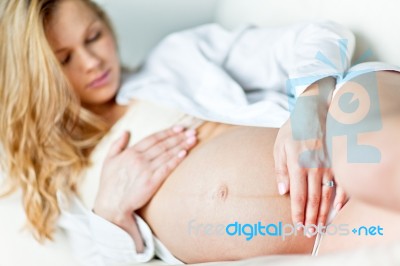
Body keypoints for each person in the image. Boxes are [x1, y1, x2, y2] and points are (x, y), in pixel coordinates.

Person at [1, 0, 399, 265]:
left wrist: (309, 108)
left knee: (367, 167)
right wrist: (110, 211)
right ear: (37, 77)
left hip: (343, 119)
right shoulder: (68, 181)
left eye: (94, 36)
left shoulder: (177, 59)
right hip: (323, 233)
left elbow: (317, 36)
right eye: (66, 59)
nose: (92, 61)